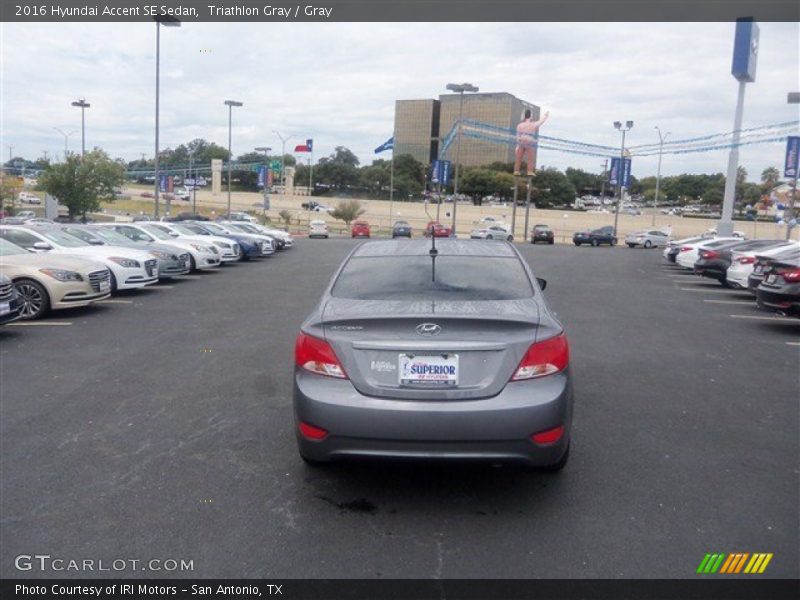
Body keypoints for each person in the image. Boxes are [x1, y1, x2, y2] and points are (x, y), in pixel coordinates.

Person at [514, 109, 549, 176]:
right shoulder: (533, 124)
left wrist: (517, 146)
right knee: (530, 158)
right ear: (531, 116)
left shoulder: (520, 125)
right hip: (530, 141)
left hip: (521, 141)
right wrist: (546, 115)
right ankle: (529, 171)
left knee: (518, 158)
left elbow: (517, 136)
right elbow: (541, 121)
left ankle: (516, 171)